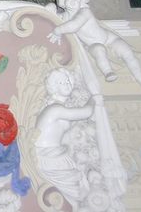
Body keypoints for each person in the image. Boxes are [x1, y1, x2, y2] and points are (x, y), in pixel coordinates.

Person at [47, 0, 141, 88]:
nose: (74, 0)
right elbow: (53, 17)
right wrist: (50, 7)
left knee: (127, 53)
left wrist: (57, 30)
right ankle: (108, 72)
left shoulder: (84, 12)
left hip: (110, 40)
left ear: (82, 1)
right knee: (98, 50)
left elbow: (74, 25)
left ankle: (140, 77)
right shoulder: (64, 17)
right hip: (92, 45)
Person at [34, 68, 96, 207]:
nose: (67, 84)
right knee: (78, 192)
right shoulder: (55, 109)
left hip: (57, 154)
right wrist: (95, 97)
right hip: (49, 157)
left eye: (68, 80)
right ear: (54, 87)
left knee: (79, 193)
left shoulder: (59, 107)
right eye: (62, 82)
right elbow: (87, 112)